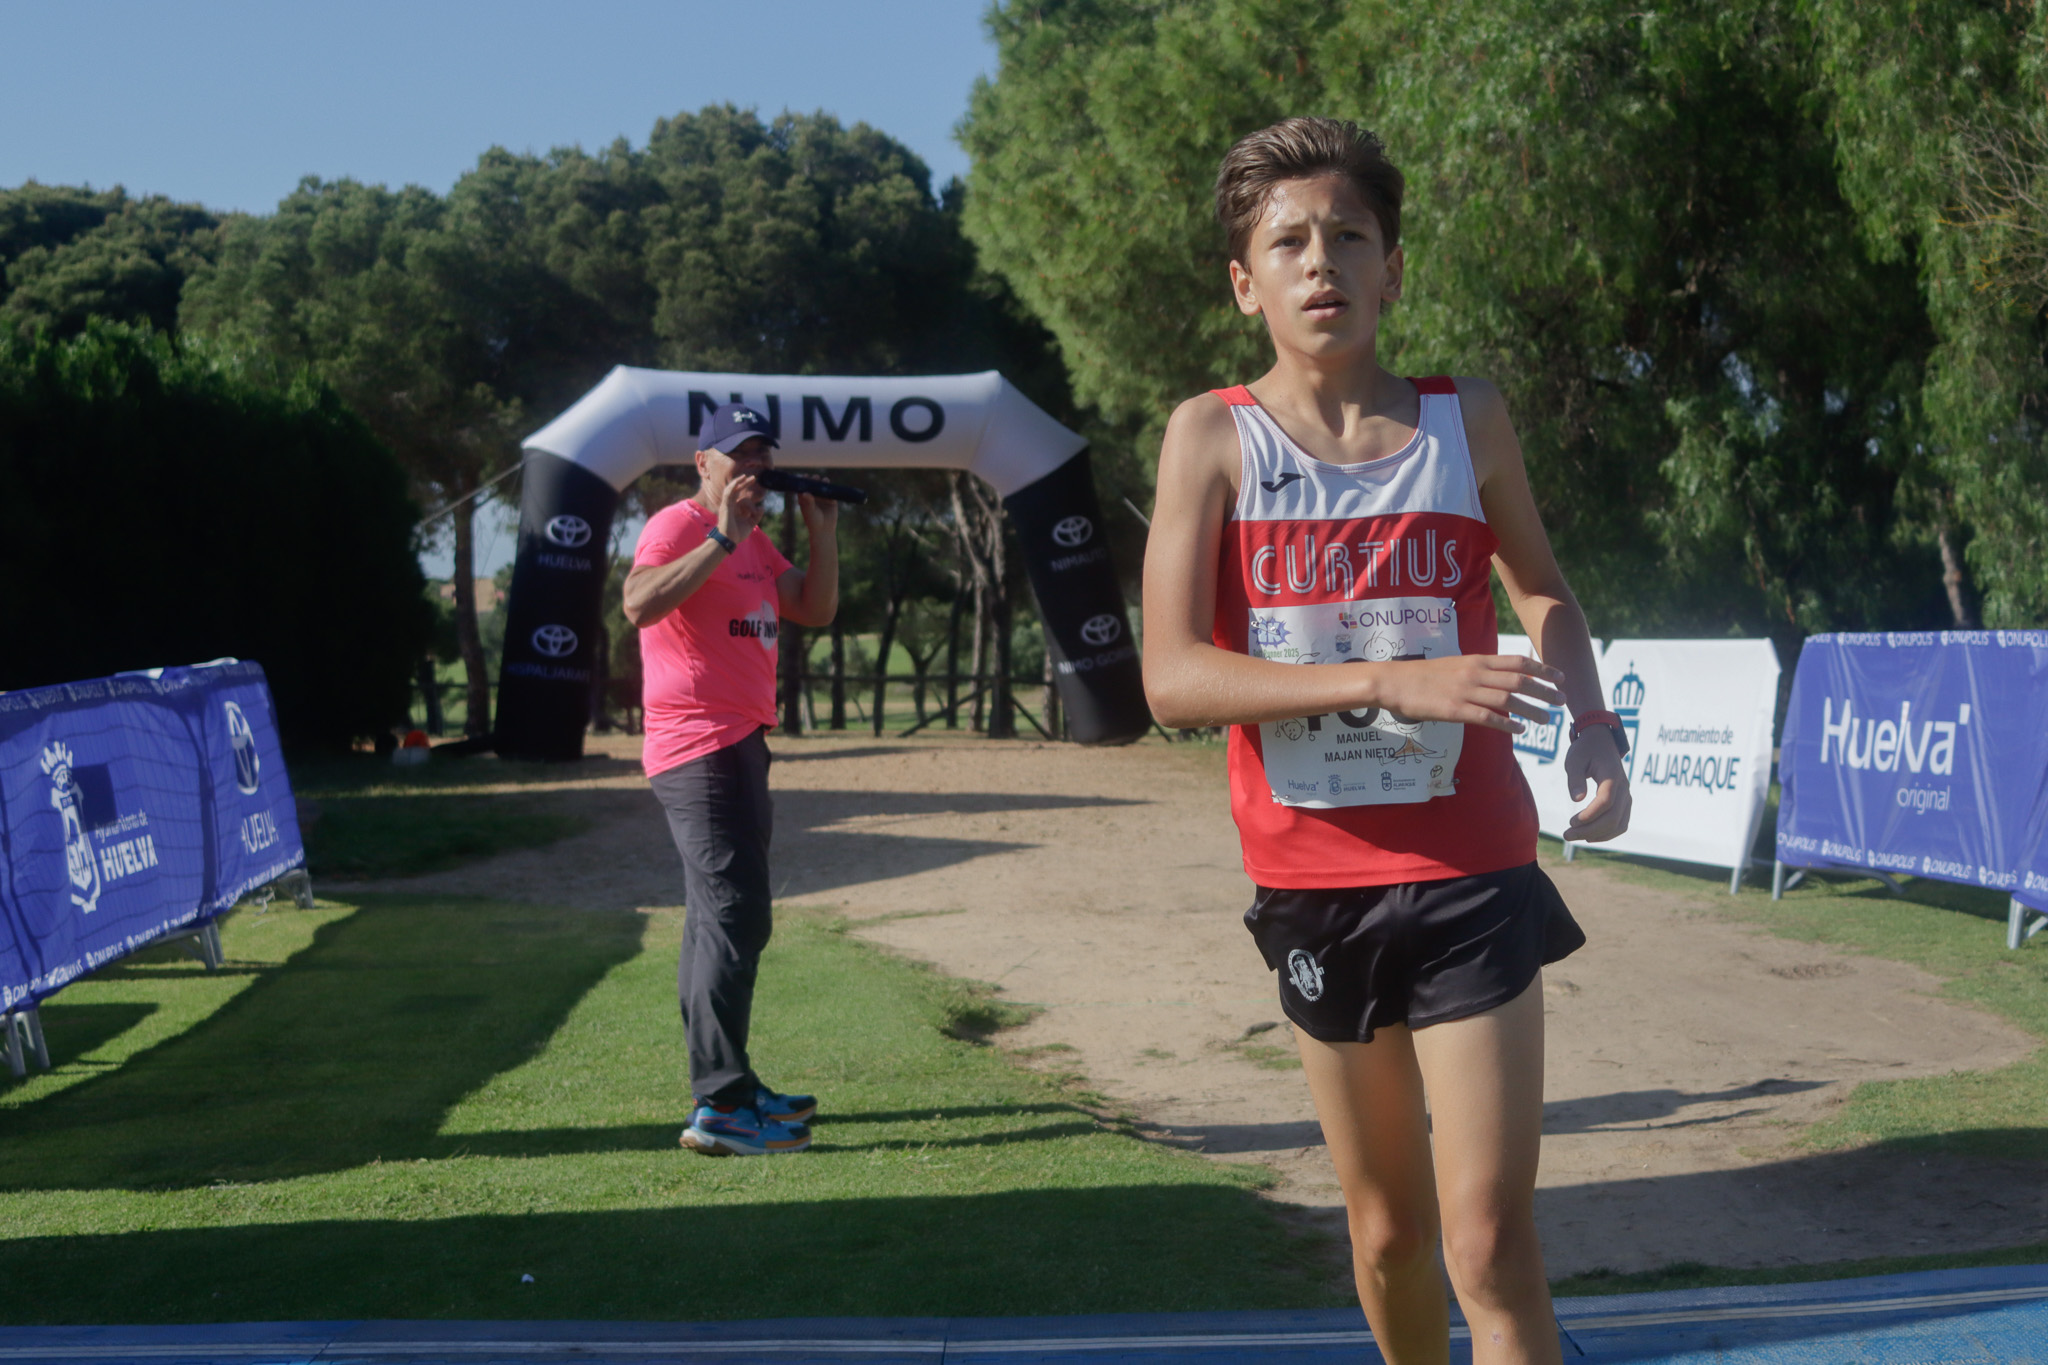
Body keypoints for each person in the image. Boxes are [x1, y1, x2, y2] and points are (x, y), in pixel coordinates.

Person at [1141, 118, 1633, 1365]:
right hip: (1313, 878)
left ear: (1392, 268)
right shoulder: (1209, 436)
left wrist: (1591, 721)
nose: (1321, 262)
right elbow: (1171, 679)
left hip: (1472, 866)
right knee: (1387, 1238)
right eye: (1288, 243)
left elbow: (1542, 591)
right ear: (1244, 284)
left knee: (1488, 1243)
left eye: (1349, 236)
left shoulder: (1469, 420)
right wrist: (1388, 683)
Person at [622, 401, 839, 1157]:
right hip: (700, 746)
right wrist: (720, 536)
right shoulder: (679, 525)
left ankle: (730, 1085)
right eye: (739, 455)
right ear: (703, 463)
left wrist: (821, 533)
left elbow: (812, 606)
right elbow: (638, 603)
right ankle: (721, 1106)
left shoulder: (757, 541)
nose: (754, 468)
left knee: (716, 919)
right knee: (738, 916)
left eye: (762, 457)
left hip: (739, 740)